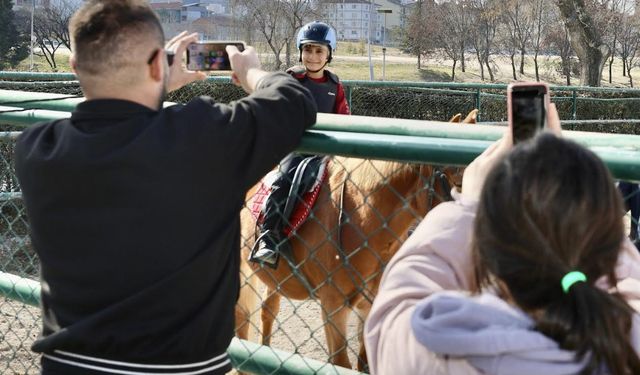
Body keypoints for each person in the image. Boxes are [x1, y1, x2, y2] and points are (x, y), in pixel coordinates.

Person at [14, 1, 317, 374]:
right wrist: (252, 71)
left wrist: (154, 80)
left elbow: (117, 129)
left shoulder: (37, 149)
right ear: (158, 64)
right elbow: (292, 102)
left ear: (76, 68)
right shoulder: (203, 136)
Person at [364, 104, 640, 375]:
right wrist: (580, 192)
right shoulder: (629, 342)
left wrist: (469, 205)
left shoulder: (431, 349)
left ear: (488, 250)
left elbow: (399, 294)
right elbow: (628, 278)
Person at [249, 21, 350, 267]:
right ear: (300, 51)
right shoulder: (291, 79)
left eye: (319, 51)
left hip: (324, 151)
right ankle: (269, 237)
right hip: (295, 149)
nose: (313, 56)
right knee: (284, 180)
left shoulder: (335, 86)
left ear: (329, 54)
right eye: (308, 50)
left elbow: (344, 118)